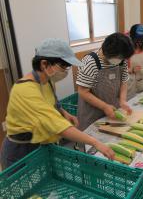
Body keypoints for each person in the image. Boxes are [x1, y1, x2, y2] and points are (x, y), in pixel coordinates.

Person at [0, 39, 114, 169]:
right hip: (21, 150)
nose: (65, 71)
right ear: (44, 64)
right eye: (63, 66)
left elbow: (52, 102)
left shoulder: (47, 81)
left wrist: (64, 113)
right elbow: (56, 125)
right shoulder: (24, 91)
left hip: (40, 143)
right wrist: (95, 142)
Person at [77, 33, 134, 130]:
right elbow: (83, 92)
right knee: (94, 141)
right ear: (109, 53)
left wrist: (122, 100)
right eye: (120, 58)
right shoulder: (90, 62)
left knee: (112, 138)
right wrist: (104, 106)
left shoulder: (121, 61)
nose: (122, 61)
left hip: (112, 111)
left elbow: (124, 81)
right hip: (93, 114)